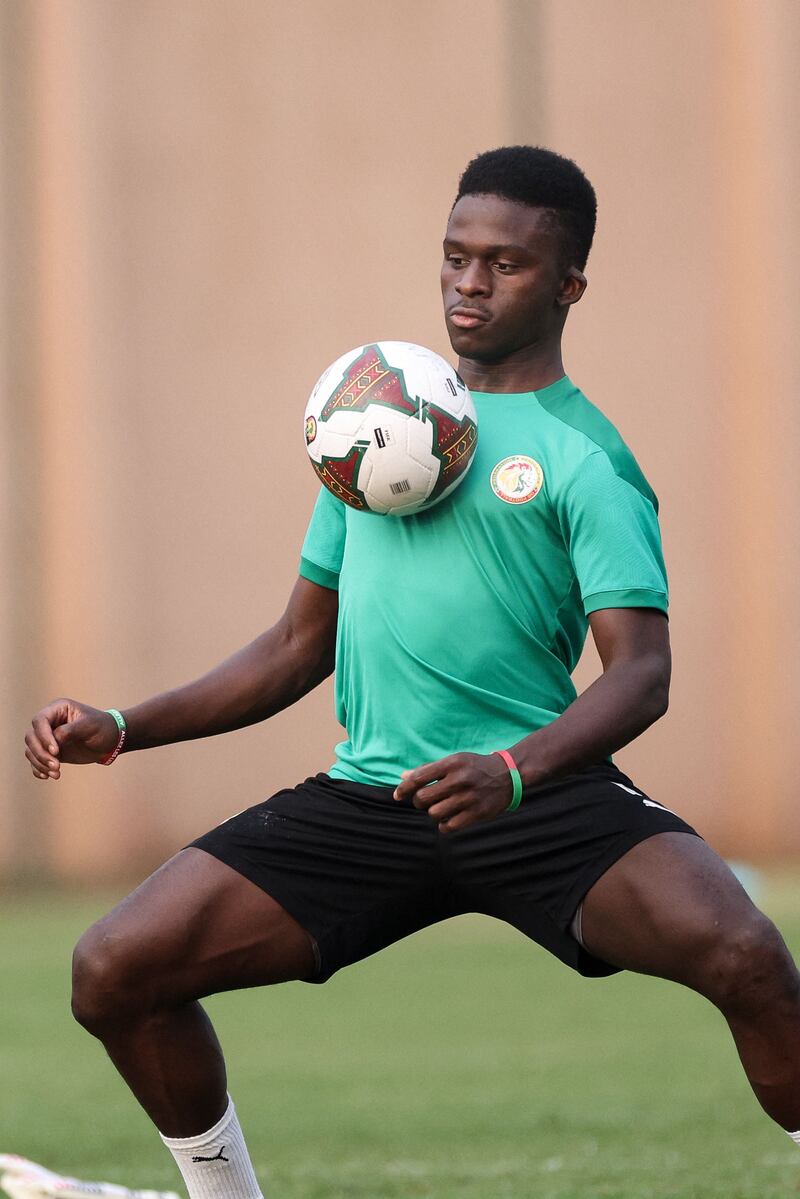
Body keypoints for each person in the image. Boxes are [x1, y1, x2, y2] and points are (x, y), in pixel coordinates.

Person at [25, 146, 800, 1198]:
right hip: (373, 796)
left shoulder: (585, 458)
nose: (469, 284)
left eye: (505, 265)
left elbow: (641, 675)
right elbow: (297, 646)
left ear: (566, 284)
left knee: (746, 951)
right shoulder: (368, 425)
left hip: (539, 795)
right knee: (115, 968)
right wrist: (125, 722)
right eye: (454, 257)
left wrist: (514, 770)